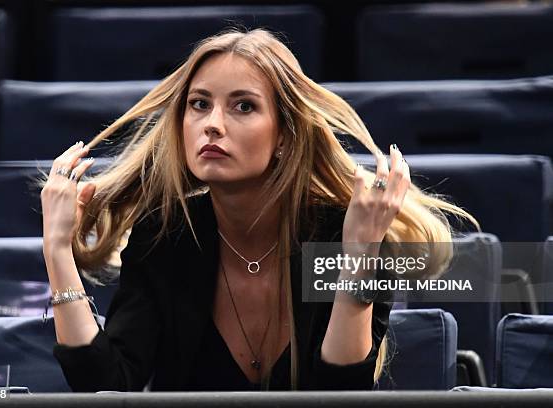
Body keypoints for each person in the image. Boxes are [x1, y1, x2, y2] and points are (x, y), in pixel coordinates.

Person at [40, 28, 477, 392]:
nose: (212, 123)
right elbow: (106, 388)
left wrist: (360, 255)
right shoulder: (167, 234)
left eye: (243, 106)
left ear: (285, 134)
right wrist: (58, 252)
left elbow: (341, 397)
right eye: (200, 104)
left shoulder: (337, 232)